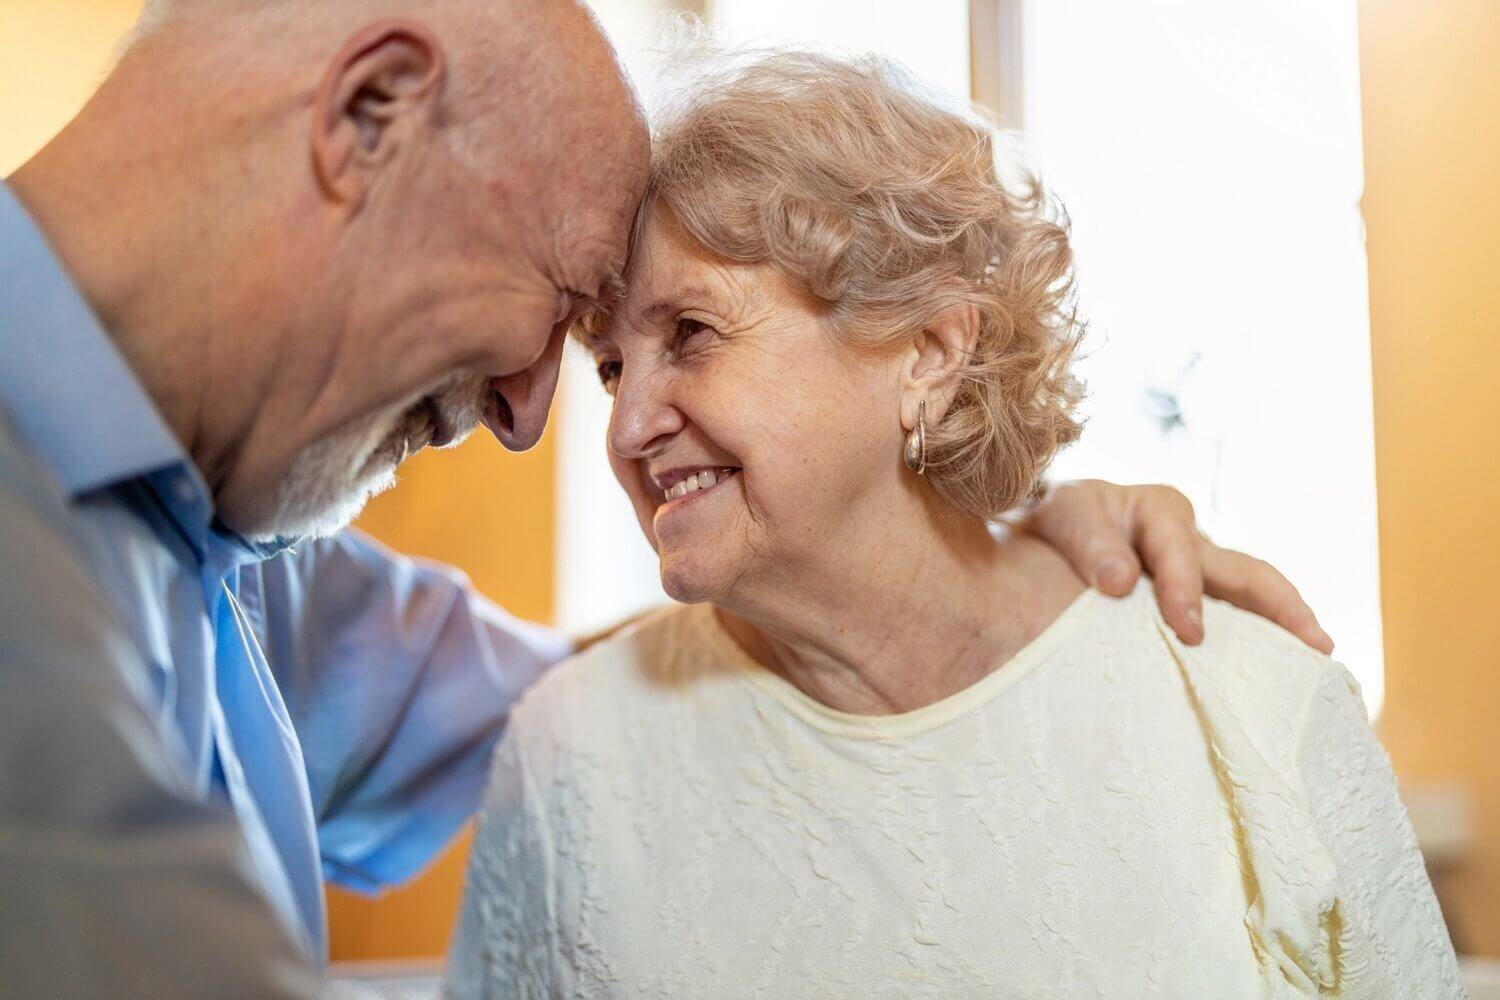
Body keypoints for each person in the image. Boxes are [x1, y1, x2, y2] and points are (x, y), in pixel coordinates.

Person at [0, 1, 1328, 994]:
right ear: (369, 115)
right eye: (580, 326)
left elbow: (655, 701)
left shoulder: (249, 567)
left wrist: (986, 551)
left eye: (685, 334)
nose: (536, 419)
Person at [448, 50, 1460, 997]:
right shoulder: (568, 753)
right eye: (613, 365)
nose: (626, 424)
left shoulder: (1250, 704)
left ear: (929, 351)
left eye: (693, 333)